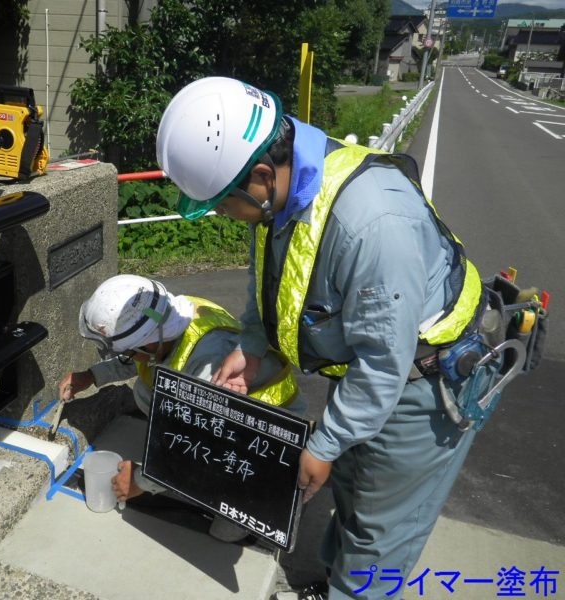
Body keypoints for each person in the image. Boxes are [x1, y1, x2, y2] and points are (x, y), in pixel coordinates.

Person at [156, 77, 486, 599]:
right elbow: (266, 281)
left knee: (381, 533)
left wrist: (326, 442)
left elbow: (384, 361)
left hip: (423, 383)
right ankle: (335, 584)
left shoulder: (373, 222)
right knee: (353, 491)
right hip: (364, 375)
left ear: (262, 175)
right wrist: (251, 345)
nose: (223, 214)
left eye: (221, 204)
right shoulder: (283, 195)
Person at [58, 274, 300, 542]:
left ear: (149, 344)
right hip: (222, 416)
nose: (126, 358)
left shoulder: (209, 366)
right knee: (147, 388)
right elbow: (135, 359)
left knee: (225, 532)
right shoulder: (171, 318)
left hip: (263, 442)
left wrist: (141, 481)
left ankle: (263, 500)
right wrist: (91, 375)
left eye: (126, 351)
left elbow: (197, 444)